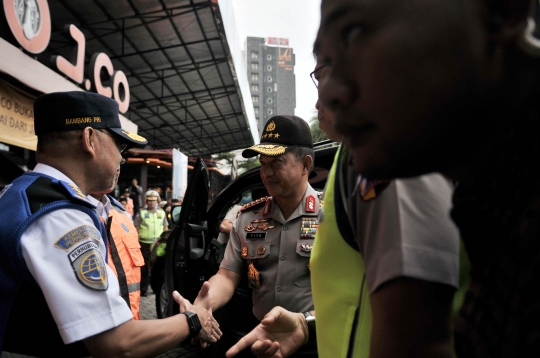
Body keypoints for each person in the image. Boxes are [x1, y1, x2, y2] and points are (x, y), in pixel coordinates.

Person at [314, 0, 540, 356]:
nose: (328, 92)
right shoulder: (495, 208)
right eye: (324, 60)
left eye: (354, 33)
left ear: (502, 10)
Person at [226, 47, 461, 358]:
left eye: (321, 74)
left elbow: (415, 312)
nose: (317, 98)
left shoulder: (387, 161)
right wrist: (306, 325)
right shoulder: (351, 164)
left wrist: (307, 326)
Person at [0, 91, 221, 357]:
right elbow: (118, 343)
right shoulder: (62, 217)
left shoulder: (22, 193)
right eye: (119, 145)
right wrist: (193, 320)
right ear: (90, 139)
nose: (122, 157)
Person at [194, 115, 322, 357]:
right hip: (259, 339)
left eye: (276, 163)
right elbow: (228, 276)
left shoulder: (333, 218)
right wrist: (205, 302)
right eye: (263, 164)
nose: (267, 173)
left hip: (316, 340)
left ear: (305, 164)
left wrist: (307, 323)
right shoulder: (247, 218)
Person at [134, 189, 168, 296]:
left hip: (158, 244)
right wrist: (137, 242)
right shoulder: (141, 213)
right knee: (144, 268)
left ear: (157, 201)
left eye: (154, 201)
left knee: (157, 267)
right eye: (149, 200)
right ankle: (143, 289)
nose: (151, 203)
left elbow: (165, 228)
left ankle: (156, 288)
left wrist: (164, 240)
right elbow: (137, 228)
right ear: (146, 202)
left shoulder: (162, 213)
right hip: (144, 243)